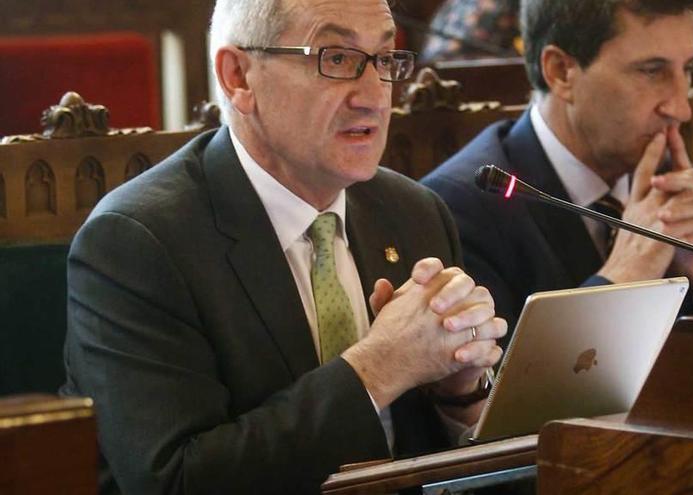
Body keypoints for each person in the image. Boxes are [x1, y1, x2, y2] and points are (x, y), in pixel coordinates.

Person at [60, 0, 506, 493]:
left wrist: (461, 393)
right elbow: (174, 480)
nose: (375, 96)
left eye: (384, 59)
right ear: (238, 77)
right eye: (336, 59)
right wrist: (378, 367)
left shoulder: (415, 212)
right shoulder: (138, 242)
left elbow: (461, 467)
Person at [422, 0, 693, 334]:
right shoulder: (461, 209)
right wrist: (622, 278)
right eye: (652, 72)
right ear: (561, 72)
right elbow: (503, 392)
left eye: (688, 70)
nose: (681, 109)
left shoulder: (683, 190)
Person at [420, 0, 521, 62]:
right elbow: (437, 56)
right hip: (450, 67)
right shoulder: (460, 5)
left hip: (499, 67)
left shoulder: (509, 6)